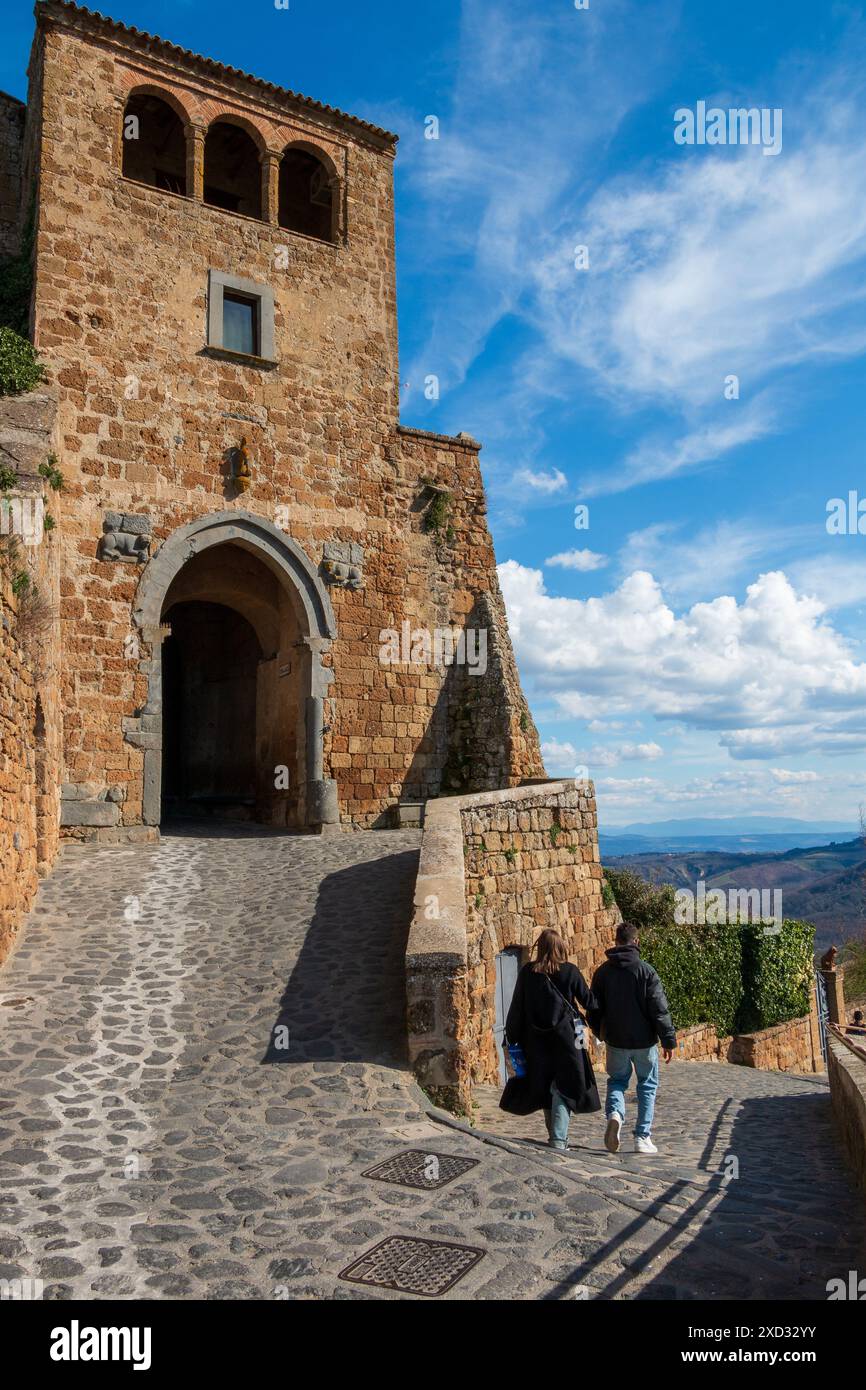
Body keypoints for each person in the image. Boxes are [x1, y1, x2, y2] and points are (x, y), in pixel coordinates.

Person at [504, 929, 600, 1151]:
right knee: (563, 1086)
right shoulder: (570, 972)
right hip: (567, 1040)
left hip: (535, 1042)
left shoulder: (528, 972)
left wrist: (512, 1037)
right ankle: (558, 1139)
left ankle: (555, 1135)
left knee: (547, 1085)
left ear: (540, 947)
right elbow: (589, 1002)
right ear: (560, 947)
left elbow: (517, 1007)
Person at [588, 921, 676, 1155]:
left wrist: (599, 1033)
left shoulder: (603, 972)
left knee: (617, 1081)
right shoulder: (646, 971)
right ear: (636, 942)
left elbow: (594, 1008)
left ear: (616, 941)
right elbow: (659, 1009)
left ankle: (615, 1114)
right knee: (647, 1086)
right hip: (644, 1041)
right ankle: (642, 1137)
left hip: (616, 1040)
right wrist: (668, 1040)